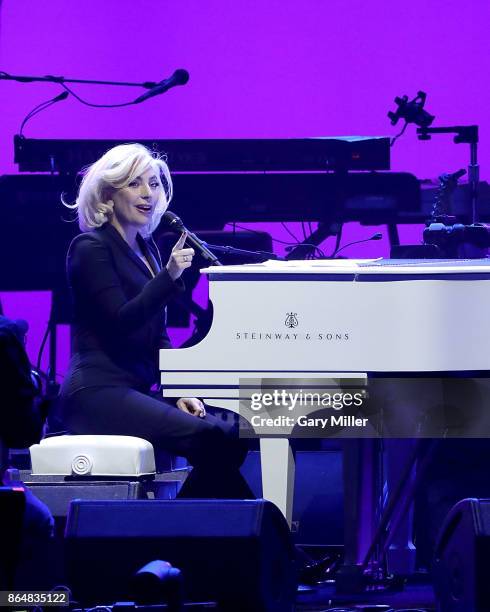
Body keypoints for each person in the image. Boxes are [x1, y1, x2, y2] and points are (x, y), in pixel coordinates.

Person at [60, 143, 253, 498]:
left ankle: (205, 536)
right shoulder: (90, 248)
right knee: (208, 437)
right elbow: (120, 321)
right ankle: (234, 538)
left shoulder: (145, 248)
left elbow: (157, 336)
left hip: (133, 391)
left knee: (232, 432)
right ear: (108, 193)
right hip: (96, 392)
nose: (148, 194)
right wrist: (167, 277)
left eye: (154, 184)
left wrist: (178, 390)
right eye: (134, 184)